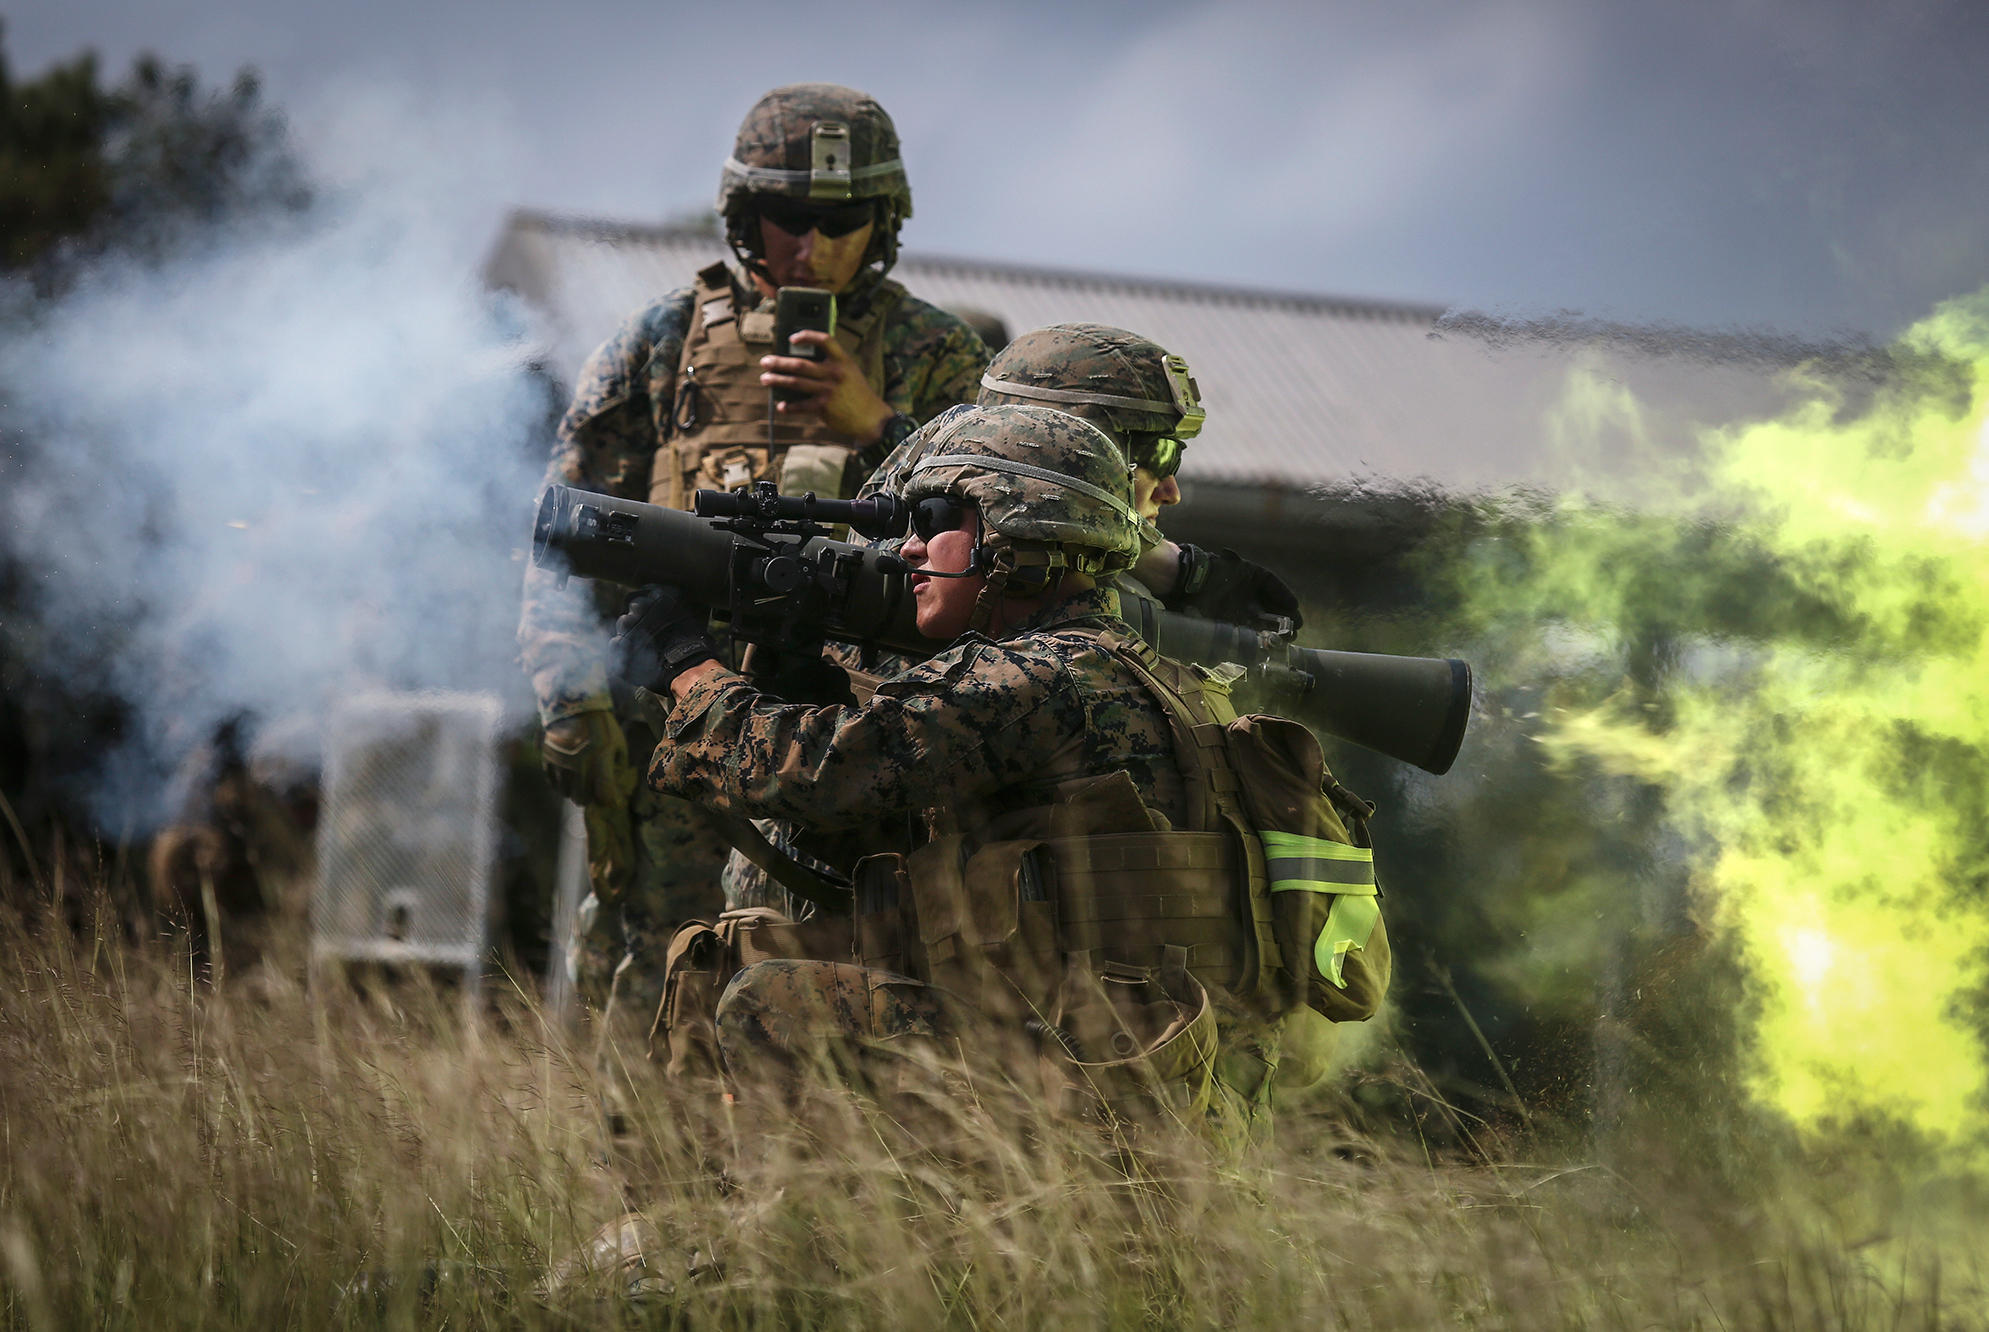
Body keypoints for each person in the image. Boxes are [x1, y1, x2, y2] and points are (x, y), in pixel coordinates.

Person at [621, 405, 1386, 1141]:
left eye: (933, 524)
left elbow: (818, 775)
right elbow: (861, 832)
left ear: (1016, 535)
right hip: (1156, 1092)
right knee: (770, 947)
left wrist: (689, 668)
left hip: (1086, 1109)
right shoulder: (1148, 671)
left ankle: (797, 1242)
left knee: (770, 1000)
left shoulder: (1035, 676)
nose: (908, 551)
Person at [516, 83, 989, 1028]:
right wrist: (568, 695)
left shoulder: (938, 354)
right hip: (672, 725)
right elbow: (565, 531)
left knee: (835, 985)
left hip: (854, 742)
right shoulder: (660, 342)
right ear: (742, 213)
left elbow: (992, 536)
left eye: (839, 220)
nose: (809, 247)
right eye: (785, 217)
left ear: (881, 221)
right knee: (644, 986)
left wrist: (882, 425)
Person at [863, 322, 1304, 634]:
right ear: (1057, 444)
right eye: (1157, 455)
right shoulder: (920, 577)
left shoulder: (1034, 571)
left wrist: (1178, 572)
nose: (1172, 492)